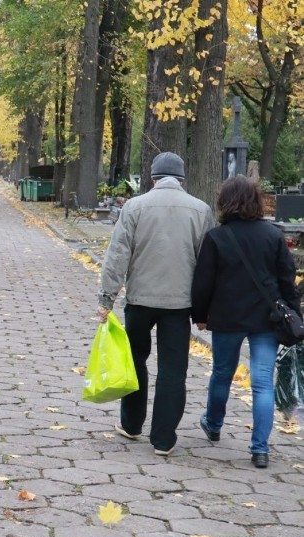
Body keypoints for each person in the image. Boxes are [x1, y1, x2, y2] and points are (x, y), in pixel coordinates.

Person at [97, 151, 214, 456]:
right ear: (182, 179)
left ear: (153, 178)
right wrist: (205, 307)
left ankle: (132, 425)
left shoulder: (134, 207)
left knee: (135, 360)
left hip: (140, 299)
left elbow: (117, 255)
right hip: (179, 303)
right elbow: (207, 264)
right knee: (173, 369)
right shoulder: (201, 210)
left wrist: (106, 298)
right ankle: (163, 439)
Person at [191, 176, 299, 468]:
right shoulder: (273, 235)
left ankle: (213, 423)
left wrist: (200, 315)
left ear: (225, 202)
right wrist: (294, 311)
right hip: (267, 318)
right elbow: (287, 279)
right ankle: (260, 448)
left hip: (228, 318)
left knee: (222, 373)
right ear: (256, 200)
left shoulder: (216, 237)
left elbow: (203, 283)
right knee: (262, 383)